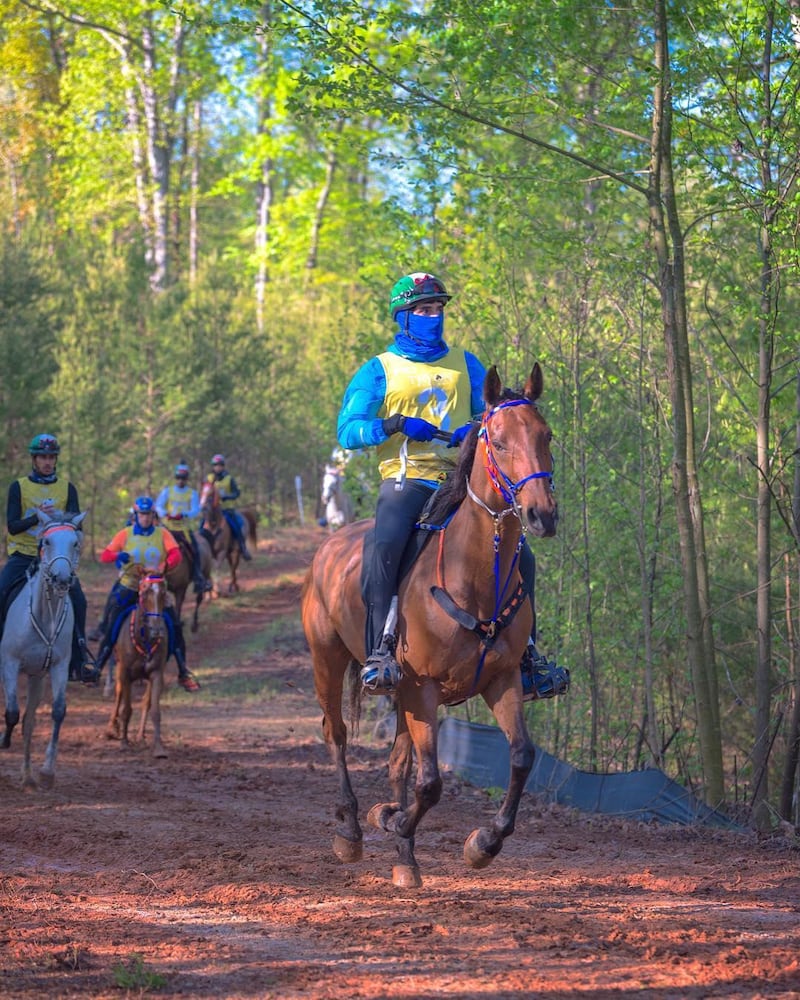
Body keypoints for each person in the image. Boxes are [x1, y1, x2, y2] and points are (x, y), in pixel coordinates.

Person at [337, 271, 569, 701]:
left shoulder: (467, 364)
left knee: (524, 557)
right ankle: (380, 652)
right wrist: (392, 424)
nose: (433, 316)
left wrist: (475, 427)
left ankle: (529, 657)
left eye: (439, 309)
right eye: (424, 310)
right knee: (385, 546)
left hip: (463, 480)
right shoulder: (380, 370)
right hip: (408, 480)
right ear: (403, 317)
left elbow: (493, 415)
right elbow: (347, 430)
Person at [0, 433, 94, 682]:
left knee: (80, 601)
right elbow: (12, 526)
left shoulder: (67, 488)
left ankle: (79, 659)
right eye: (42, 456)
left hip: (54, 560)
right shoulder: (19, 487)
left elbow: (77, 527)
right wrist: (37, 516)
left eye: (51, 457)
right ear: (34, 459)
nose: (47, 462)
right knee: (0, 592)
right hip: (23, 555)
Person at [89, 496, 201, 692]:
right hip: (129, 586)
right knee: (111, 625)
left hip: (155, 589)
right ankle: (97, 667)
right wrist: (118, 555)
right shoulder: (125, 534)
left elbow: (176, 553)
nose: (145, 518)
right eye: (142, 514)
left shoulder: (162, 534)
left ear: (153, 515)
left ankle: (183, 671)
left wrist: (166, 564)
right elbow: (105, 555)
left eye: (148, 514)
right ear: (136, 515)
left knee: (174, 626)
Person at [155, 461, 211, 594]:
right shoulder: (167, 492)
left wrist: (184, 514)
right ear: (175, 478)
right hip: (167, 528)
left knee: (195, 549)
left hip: (183, 529)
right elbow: (158, 506)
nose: (181, 480)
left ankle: (198, 576)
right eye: (179, 478)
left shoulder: (192, 493)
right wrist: (165, 514)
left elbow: (196, 510)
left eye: (183, 478)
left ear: (187, 479)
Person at [207, 454, 252, 561]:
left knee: (237, 525)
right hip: (212, 510)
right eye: (215, 465)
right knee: (202, 526)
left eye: (220, 465)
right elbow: (205, 492)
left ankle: (242, 547)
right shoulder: (209, 478)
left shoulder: (229, 479)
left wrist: (227, 496)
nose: (217, 467)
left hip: (227, 510)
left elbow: (237, 493)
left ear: (223, 466)